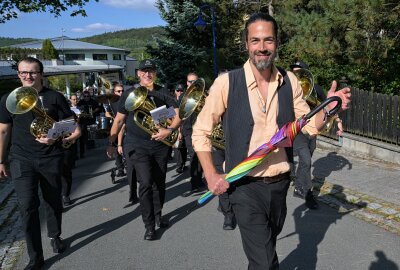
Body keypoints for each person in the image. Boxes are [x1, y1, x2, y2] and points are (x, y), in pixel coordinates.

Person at [192, 13, 351, 269]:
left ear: (276, 43)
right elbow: (200, 131)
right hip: (243, 185)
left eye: (268, 40)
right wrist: (211, 174)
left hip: (279, 185)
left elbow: (309, 126)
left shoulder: (290, 82)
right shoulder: (226, 83)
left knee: (264, 252)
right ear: (246, 44)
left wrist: (329, 107)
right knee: (266, 261)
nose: (262, 47)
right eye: (255, 40)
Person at [0, 57, 79, 269]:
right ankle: (36, 256)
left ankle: (55, 235)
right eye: (23, 72)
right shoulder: (9, 99)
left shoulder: (54, 97)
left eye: (32, 72)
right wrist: (1, 160)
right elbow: (4, 130)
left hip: (50, 158)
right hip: (21, 159)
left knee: (53, 201)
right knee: (27, 207)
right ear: (18, 74)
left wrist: (55, 136)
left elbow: (71, 124)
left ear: (41, 74)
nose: (28, 76)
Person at [107, 59, 181, 241]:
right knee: (146, 183)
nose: (148, 74)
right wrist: (111, 142)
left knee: (159, 182)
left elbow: (179, 113)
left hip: (159, 145)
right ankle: (149, 225)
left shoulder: (163, 92)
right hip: (136, 144)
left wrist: (169, 130)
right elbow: (118, 120)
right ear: (138, 73)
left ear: (155, 73)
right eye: (144, 71)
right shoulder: (129, 93)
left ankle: (158, 214)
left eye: (151, 71)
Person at [290, 60, 344, 209]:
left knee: (305, 161)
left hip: (313, 131)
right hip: (298, 130)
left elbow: (327, 105)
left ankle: (299, 186)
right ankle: (308, 194)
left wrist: (338, 122)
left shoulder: (315, 88)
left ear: (306, 73)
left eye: (299, 71)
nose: (296, 74)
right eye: (294, 72)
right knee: (306, 161)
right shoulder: (289, 90)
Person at [181, 72, 205, 197]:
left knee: (201, 154)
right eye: (190, 82)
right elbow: (177, 115)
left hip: (201, 129)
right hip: (188, 130)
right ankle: (195, 182)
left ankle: (199, 179)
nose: (192, 84)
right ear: (187, 83)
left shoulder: (202, 95)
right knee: (194, 155)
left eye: (194, 81)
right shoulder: (182, 97)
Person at [61, 95, 82, 206]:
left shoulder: (68, 114)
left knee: (65, 172)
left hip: (66, 147)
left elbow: (77, 132)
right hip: (50, 148)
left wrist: (68, 139)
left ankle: (65, 195)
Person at [77, 90, 102, 158]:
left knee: (91, 133)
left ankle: (91, 145)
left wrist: (93, 111)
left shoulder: (93, 101)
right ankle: (82, 151)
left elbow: (98, 108)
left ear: (89, 96)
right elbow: (77, 109)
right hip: (83, 120)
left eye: (87, 96)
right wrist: (81, 113)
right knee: (82, 135)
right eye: (85, 96)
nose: (86, 97)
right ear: (83, 96)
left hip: (91, 119)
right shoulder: (81, 102)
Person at [173, 83, 187, 174]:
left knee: (184, 147)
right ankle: (179, 165)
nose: (179, 92)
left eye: (181, 91)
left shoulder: (185, 101)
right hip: (174, 127)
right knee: (177, 147)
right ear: (175, 91)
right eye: (178, 90)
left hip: (184, 126)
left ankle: (183, 163)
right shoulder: (172, 101)